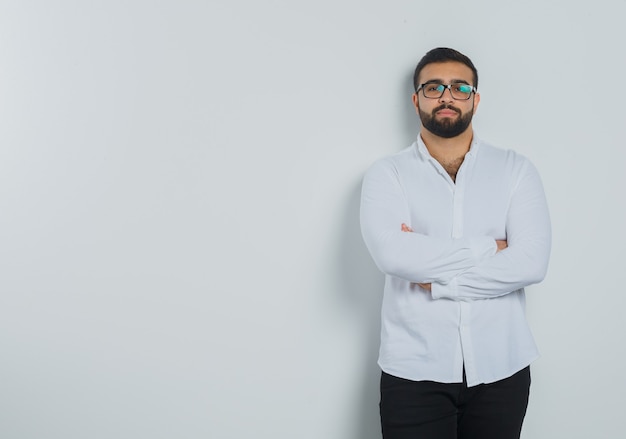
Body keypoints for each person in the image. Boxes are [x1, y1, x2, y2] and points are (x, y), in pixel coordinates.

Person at [359, 47, 551, 439]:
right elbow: (393, 254)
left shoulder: (515, 170)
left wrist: (441, 280)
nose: (446, 96)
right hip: (413, 370)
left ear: (475, 99)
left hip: (502, 368)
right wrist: (490, 248)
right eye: (433, 87)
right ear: (416, 100)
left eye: (459, 87)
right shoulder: (388, 174)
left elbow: (531, 262)